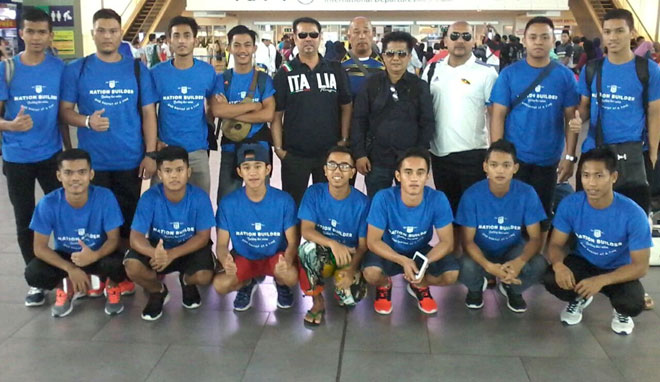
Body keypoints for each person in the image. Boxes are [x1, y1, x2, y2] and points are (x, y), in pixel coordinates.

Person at [59, 9, 159, 284]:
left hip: (130, 159)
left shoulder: (138, 69)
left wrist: (150, 154)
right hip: (93, 164)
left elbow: (149, 113)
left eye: (113, 31)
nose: (107, 36)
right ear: (93, 34)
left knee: (127, 221)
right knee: (96, 223)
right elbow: (65, 112)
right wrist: (87, 121)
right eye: (101, 30)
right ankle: (100, 277)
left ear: (120, 34)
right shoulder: (77, 68)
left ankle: (123, 276)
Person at [543, 148, 652, 335]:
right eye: (586, 175)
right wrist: (559, 265)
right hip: (584, 262)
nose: (591, 183)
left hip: (618, 269)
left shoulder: (633, 214)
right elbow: (555, 245)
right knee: (551, 277)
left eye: (599, 175)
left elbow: (640, 267)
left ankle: (620, 311)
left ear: (614, 177)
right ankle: (579, 298)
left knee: (633, 303)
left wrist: (601, 280)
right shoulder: (571, 204)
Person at [490, 16, 579, 240]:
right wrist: (497, 156)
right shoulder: (509, 74)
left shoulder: (565, 76)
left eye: (544, 37)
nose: (538, 42)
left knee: (541, 215)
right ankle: (509, 257)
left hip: (548, 160)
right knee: (510, 212)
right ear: (525, 40)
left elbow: (571, 118)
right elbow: (498, 115)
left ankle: (535, 260)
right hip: (515, 160)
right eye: (533, 37)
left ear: (553, 41)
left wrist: (569, 156)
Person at [0, 8, 66, 306]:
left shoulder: (59, 68)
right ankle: (36, 280)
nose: (36, 37)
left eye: (42, 32)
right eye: (30, 31)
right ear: (21, 33)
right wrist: (10, 125)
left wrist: (68, 152)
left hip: (51, 155)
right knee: (25, 219)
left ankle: (67, 273)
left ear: (50, 34)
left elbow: (64, 113)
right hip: (16, 158)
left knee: (64, 214)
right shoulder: (7, 69)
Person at [570, 9, 660, 214]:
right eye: (608, 32)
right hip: (595, 150)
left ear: (632, 32)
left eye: (619, 31)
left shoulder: (648, 70)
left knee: (632, 215)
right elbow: (583, 109)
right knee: (588, 213)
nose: (613, 37)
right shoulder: (592, 69)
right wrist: (578, 120)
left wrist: (653, 153)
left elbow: (655, 113)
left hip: (633, 154)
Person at [24, 149, 127, 317]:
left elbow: (113, 239)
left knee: (122, 262)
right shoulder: (48, 203)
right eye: (68, 173)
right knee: (34, 272)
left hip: (98, 254)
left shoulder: (105, 197)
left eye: (81, 172)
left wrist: (94, 256)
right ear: (59, 176)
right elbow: (39, 248)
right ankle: (65, 288)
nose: (75, 178)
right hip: (67, 256)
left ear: (91, 174)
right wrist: (70, 268)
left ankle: (112, 287)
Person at [363, 148, 459, 315]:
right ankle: (385, 284)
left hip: (420, 251)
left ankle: (419, 284)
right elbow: (373, 241)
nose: (414, 178)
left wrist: (424, 264)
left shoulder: (437, 198)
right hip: (390, 250)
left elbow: (447, 242)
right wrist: (402, 260)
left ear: (427, 176)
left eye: (420, 172)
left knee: (451, 274)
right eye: (408, 172)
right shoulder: (383, 198)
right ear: (398, 176)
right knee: (371, 273)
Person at [124, 146, 216, 321]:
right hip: (158, 249)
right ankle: (157, 291)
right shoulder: (149, 198)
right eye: (168, 171)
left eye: (179, 170)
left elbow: (203, 237)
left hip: (187, 249)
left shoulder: (199, 197)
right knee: (132, 266)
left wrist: (171, 254)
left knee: (204, 276)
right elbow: (135, 237)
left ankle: (187, 282)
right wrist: (155, 253)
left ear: (188, 172)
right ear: (159, 174)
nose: (174, 176)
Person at [456, 140, 547, 312]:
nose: (500, 170)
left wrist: (519, 262)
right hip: (481, 251)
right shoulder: (472, 195)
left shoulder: (527, 193)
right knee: (464, 266)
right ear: (485, 167)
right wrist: (488, 266)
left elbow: (535, 238)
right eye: (494, 165)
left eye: (506, 165)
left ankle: (512, 289)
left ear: (515, 168)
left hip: (512, 250)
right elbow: (467, 242)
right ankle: (476, 288)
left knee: (539, 264)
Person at [271, 17, 352, 206]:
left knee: (327, 206)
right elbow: (276, 114)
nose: (308, 39)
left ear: (320, 37)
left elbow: (346, 106)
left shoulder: (335, 69)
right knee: (293, 206)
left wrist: (344, 140)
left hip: (329, 154)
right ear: (294, 38)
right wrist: (279, 149)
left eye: (313, 34)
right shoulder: (285, 72)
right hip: (295, 154)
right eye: (303, 35)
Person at [423, 21, 498, 220]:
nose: (460, 41)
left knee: (472, 213)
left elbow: (495, 114)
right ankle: (453, 249)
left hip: (472, 154)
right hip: (439, 154)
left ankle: (470, 251)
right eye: (454, 36)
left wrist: (496, 150)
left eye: (466, 36)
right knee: (448, 212)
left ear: (474, 41)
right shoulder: (432, 70)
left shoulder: (486, 73)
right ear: (445, 40)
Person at [213, 144, 299, 311]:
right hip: (245, 256)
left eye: (258, 166)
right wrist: (225, 260)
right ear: (239, 172)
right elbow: (222, 244)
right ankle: (247, 283)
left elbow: (293, 242)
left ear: (268, 169)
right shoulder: (228, 203)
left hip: (275, 256)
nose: (252, 173)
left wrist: (287, 260)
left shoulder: (284, 201)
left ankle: (281, 284)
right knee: (220, 285)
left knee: (290, 276)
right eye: (246, 167)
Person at [351, 31, 434, 198]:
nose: (396, 58)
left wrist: (420, 157)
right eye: (390, 53)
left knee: (408, 204)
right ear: (383, 56)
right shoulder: (370, 85)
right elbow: (359, 120)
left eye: (401, 54)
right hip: (377, 160)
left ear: (410, 57)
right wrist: (360, 154)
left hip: (409, 160)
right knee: (377, 205)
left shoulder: (419, 86)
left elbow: (427, 122)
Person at [298, 146, 370, 325]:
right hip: (325, 252)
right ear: (325, 170)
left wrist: (351, 269)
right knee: (306, 250)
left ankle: (340, 282)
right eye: (332, 165)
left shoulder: (362, 203)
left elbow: (363, 246)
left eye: (345, 166)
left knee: (351, 298)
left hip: (348, 256)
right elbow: (306, 230)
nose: (337, 171)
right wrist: (333, 244)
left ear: (353, 172)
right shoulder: (314, 193)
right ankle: (317, 301)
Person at [151, 16, 217, 194]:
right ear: (169, 40)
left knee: (200, 205)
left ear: (195, 40)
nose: (181, 40)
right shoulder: (157, 73)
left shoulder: (207, 71)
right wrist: (153, 141)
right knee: (161, 206)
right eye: (176, 35)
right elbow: (147, 112)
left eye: (187, 35)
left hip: (197, 151)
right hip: (165, 150)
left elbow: (213, 106)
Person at [212, 25, 276, 200]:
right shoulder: (223, 79)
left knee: (261, 199)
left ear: (254, 48)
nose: (242, 50)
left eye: (247, 45)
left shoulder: (264, 80)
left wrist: (231, 112)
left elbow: (268, 115)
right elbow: (217, 110)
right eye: (237, 45)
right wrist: (253, 106)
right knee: (226, 199)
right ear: (229, 48)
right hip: (230, 147)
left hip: (259, 147)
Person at [341, 16, 384, 97]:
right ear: (349, 37)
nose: (362, 36)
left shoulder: (384, 63)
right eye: (356, 32)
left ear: (372, 36)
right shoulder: (339, 64)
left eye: (366, 31)